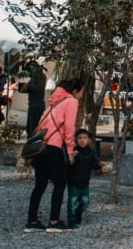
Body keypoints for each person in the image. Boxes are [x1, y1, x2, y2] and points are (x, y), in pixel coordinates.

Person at [26, 78, 83, 233]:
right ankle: (54, 222)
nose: (82, 94)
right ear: (75, 90)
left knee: (40, 185)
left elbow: (41, 124)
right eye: (82, 91)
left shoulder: (54, 101)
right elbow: (69, 127)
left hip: (41, 148)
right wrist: (70, 150)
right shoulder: (71, 101)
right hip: (53, 146)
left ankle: (31, 222)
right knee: (60, 183)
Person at [66, 128, 102, 228]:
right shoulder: (74, 152)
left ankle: (78, 213)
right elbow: (67, 165)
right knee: (72, 202)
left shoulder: (91, 152)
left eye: (84, 138)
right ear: (75, 140)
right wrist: (70, 157)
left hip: (85, 182)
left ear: (89, 140)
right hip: (73, 182)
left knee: (85, 202)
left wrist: (99, 165)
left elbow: (93, 164)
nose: (82, 140)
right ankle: (71, 220)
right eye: (79, 138)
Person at [19, 63, 47, 137]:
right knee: (30, 128)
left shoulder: (41, 76)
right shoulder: (34, 77)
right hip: (32, 105)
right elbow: (31, 88)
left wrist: (28, 85)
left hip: (37, 106)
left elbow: (39, 88)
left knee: (34, 127)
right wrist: (24, 88)